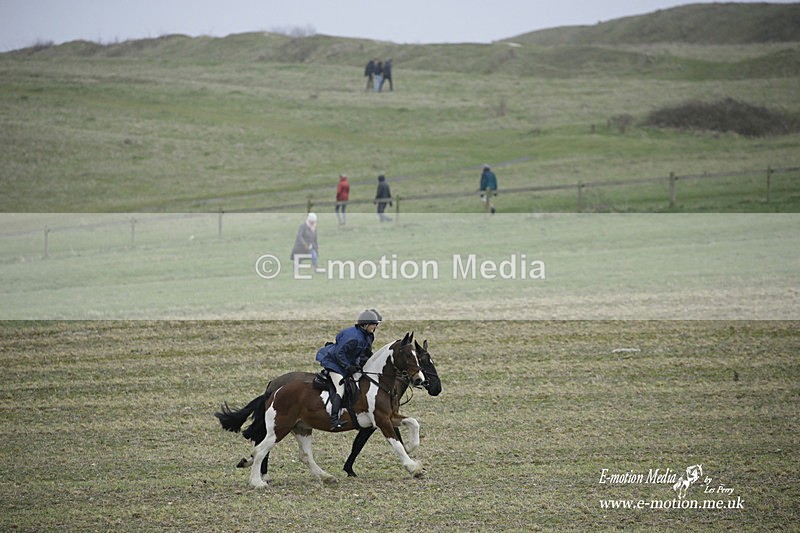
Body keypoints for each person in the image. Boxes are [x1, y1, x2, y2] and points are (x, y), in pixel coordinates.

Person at [315, 309, 382, 429]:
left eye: (376, 324)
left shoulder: (367, 336)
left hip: (345, 362)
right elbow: (339, 354)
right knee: (340, 389)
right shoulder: (354, 337)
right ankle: (334, 420)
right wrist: (348, 367)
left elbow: (366, 353)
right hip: (334, 363)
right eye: (373, 324)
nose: (376, 326)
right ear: (365, 324)